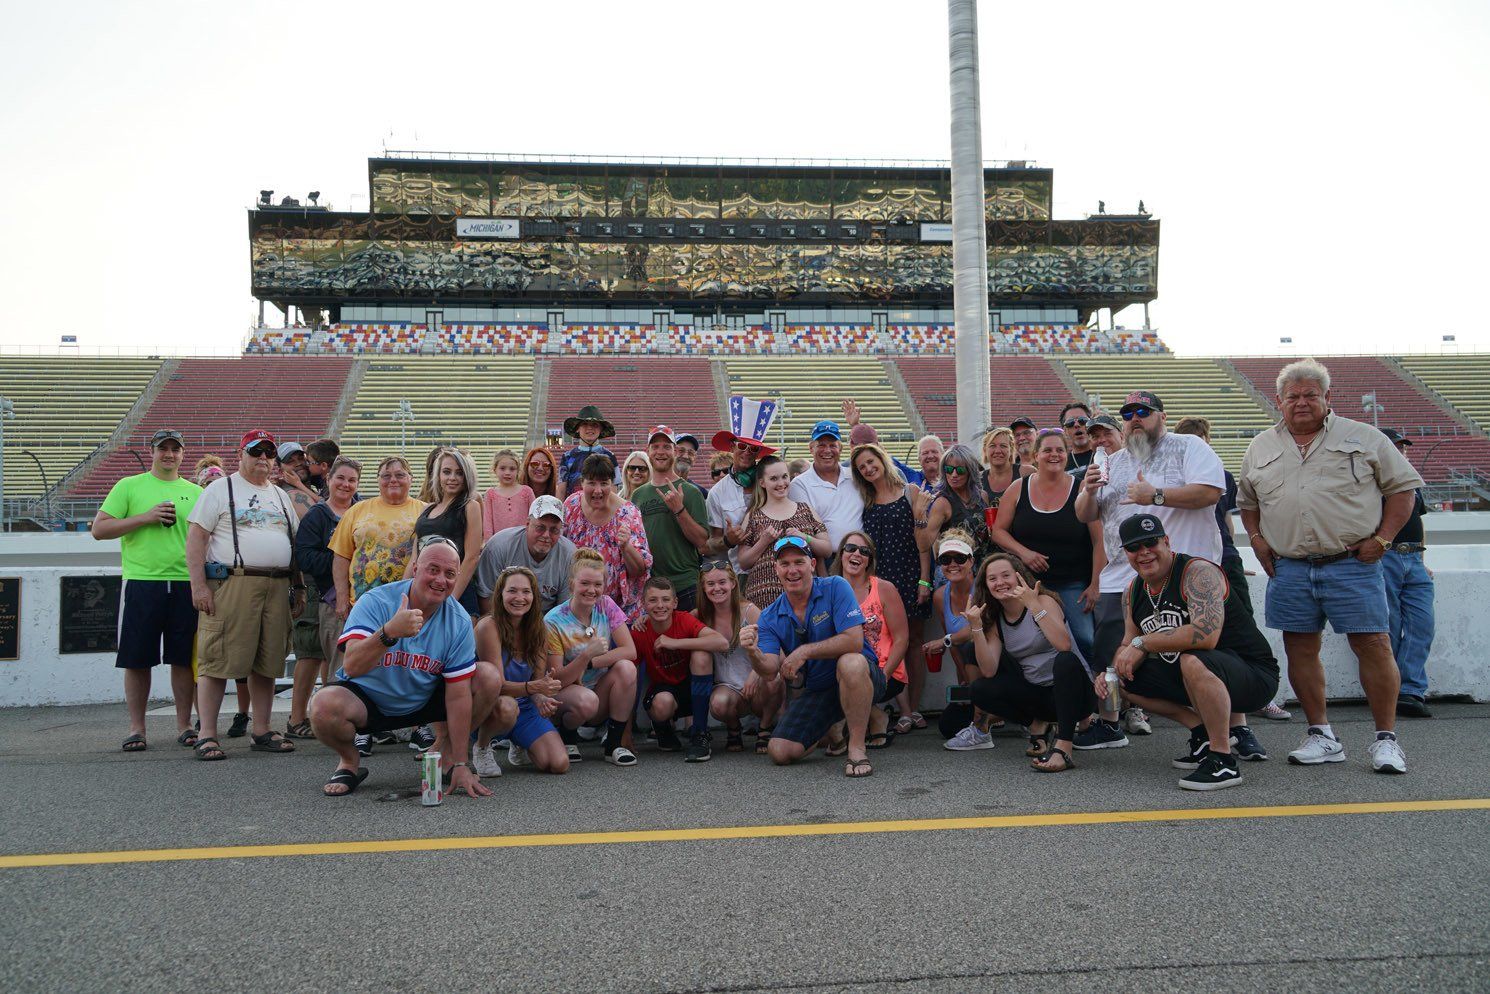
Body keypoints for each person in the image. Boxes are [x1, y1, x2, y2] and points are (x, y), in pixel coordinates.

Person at [1237, 359, 1422, 773]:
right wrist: (1256, 539)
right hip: (1289, 567)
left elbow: (1402, 490)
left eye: (1310, 395)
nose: (1301, 403)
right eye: (1292, 397)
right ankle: (1321, 735)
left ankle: (1386, 740)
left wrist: (1383, 539)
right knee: (1299, 647)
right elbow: (1247, 502)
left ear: (1327, 398)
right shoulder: (1261, 446)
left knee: (1373, 645)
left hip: (1352, 563)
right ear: (1278, 402)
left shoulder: (1365, 437)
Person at [1074, 389, 1225, 749]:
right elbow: (1086, 515)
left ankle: (1232, 729)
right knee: (1114, 663)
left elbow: (1210, 493)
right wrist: (1088, 491)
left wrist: (1155, 495)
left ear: (1162, 415)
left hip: (1184, 575)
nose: (1135, 419)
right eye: (1128, 414)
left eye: (1143, 411)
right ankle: (1111, 722)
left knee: (1202, 656)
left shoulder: (1188, 446)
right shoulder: (1115, 460)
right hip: (1121, 578)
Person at [310, 539, 499, 798]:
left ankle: (445, 754)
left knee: (488, 676)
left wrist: (461, 762)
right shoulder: (376, 601)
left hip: (422, 701)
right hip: (369, 701)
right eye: (433, 569)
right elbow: (351, 666)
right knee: (322, 707)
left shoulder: (459, 620)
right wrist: (388, 633)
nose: (440, 580)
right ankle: (349, 761)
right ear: (415, 568)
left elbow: (458, 695)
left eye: (450, 574)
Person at [1108, 514, 1280, 790]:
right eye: (1134, 547)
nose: (1144, 553)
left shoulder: (1197, 572)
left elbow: (1205, 635)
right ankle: (1201, 734)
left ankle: (1223, 760)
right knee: (1123, 680)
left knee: (1193, 658)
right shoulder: (1133, 591)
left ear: (1166, 541)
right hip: (1195, 674)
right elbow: (1129, 640)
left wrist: (1143, 644)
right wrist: (1112, 669)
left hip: (1252, 675)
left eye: (1150, 543)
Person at [185, 428, 305, 761]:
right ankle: (207, 733)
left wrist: (298, 587)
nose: (264, 458)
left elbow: (293, 545)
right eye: (256, 452)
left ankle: (263, 729)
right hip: (234, 582)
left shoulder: (280, 495)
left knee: (267, 662)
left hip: (277, 584)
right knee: (217, 658)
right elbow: (196, 540)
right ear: (241, 455)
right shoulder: (220, 489)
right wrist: (198, 586)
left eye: (269, 453)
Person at [1173, 416, 1292, 722]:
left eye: (1202, 439)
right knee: (1195, 630)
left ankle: (1254, 697)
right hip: (1185, 559)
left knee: (1242, 626)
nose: (1199, 445)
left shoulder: (1220, 473)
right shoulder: (1171, 475)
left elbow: (1225, 519)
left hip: (1223, 557)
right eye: (1191, 440)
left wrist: (1234, 555)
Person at [93, 428, 202, 752]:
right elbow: (100, 529)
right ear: (152, 452)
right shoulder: (129, 486)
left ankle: (184, 725)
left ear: (183, 454)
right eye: (163, 449)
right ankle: (137, 728)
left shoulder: (195, 492)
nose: (169, 454)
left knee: (183, 659)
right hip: (143, 582)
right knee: (137, 658)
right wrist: (145, 517)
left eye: (175, 449)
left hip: (185, 583)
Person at [754, 536, 886, 778]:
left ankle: (856, 748)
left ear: (812, 564)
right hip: (821, 690)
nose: (792, 570)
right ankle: (832, 731)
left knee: (850, 662)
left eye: (799, 562)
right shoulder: (768, 617)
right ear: (776, 569)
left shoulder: (836, 586)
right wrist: (752, 652)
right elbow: (769, 669)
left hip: (864, 677)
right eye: (784, 564)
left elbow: (854, 640)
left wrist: (803, 651)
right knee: (780, 751)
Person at [952, 553, 1098, 772]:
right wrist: (976, 627)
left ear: (1019, 576)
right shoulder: (996, 618)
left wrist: (1033, 605)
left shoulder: (1043, 601)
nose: (1000, 582)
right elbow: (989, 670)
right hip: (1041, 697)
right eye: (992, 579)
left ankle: (1064, 747)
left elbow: (1063, 645)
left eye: (1005, 575)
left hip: (1076, 695)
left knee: (1065, 661)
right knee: (981, 689)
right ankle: (1036, 725)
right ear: (986, 585)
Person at [329, 454, 427, 755]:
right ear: (377, 479)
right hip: (364, 605)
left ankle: (420, 725)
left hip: (409, 603)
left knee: (412, 663)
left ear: (411, 478)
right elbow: (342, 556)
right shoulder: (358, 511)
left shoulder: (424, 511)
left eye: (400, 474)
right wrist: (342, 597)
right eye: (386, 475)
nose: (393, 480)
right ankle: (363, 729)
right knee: (365, 664)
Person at [988, 427, 1101, 662]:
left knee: (1086, 640)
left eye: (1060, 450)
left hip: (1072, 583)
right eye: (1047, 450)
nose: (1054, 455)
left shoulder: (1081, 488)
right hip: (1028, 584)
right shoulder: (1019, 487)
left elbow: (1099, 540)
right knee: (1024, 643)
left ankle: (1094, 693)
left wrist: (1095, 584)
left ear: (1067, 454)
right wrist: (1024, 553)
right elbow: (998, 532)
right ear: (1036, 455)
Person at [849, 442, 932, 729]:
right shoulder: (865, 499)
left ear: (882, 460)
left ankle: (916, 708)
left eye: (871, 462)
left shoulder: (911, 492)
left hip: (911, 575)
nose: (869, 469)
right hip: (881, 581)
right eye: (862, 467)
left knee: (914, 642)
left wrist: (924, 580)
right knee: (889, 643)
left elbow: (923, 543)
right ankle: (904, 709)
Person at [287, 455, 361, 739]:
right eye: (340, 478)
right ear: (328, 480)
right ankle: (306, 719)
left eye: (351, 480)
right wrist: (341, 559)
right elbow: (304, 556)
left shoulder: (362, 511)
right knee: (314, 655)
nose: (345, 484)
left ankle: (353, 719)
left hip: (357, 595)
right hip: (322, 592)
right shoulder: (318, 515)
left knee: (351, 659)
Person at [544, 548, 640, 766]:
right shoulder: (553, 620)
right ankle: (567, 738)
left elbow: (629, 650)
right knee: (586, 700)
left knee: (627, 668)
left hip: (598, 690)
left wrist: (592, 662)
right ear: (571, 585)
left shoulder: (606, 605)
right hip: (567, 696)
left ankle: (613, 745)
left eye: (598, 584)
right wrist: (586, 655)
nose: (592, 590)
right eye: (585, 583)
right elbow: (556, 679)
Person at [472, 565, 566, 775]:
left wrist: (541, 699)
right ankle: (482, 747)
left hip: (524, 705)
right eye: (512, 591)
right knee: (507, 707)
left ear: (534, 596)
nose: (519, 598)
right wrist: (535, 687)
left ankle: (519, 742)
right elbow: (497, 686)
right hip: (490, 706)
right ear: (500, 594)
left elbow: (538, 680)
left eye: (526, 591)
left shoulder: (540, 628)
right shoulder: (489, 626)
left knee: (558, 764)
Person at [632, 576, 730, 761]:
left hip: (691, 686)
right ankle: (662, 728)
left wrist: (675, 643)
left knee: (701, 654)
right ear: (644, 604)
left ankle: (700, 735)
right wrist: (624, 733)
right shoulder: (640, 631)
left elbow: (721, 642)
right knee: (662, 704)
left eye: (666, 599)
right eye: (653, 600)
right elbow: (629, 678)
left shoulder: (683, 620)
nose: (660, 605)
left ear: (675, 602)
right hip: (664, 691)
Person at [693, 558, 780, 754]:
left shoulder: (749, 611)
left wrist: (757, 672)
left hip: (757, 685)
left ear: (733, 583)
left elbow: (777, 652)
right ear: (703, 588)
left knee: (774, 679)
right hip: (728, 687)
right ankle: (734, 728)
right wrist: (645, 617)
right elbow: (673, 622)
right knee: (718, 704)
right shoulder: (700, 615)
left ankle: (764, 728)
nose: (717, 588)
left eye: (722, 582)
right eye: (711, 584)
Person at [1378, 428, 1435, 719]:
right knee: (1390, 624)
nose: (1402, 452)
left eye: (1402, 447)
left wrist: (1422, 555)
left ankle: (1410, 690)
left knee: (1422, 625)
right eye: (1396, 447)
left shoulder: (1411, 483)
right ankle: (1397, 690)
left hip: (1413, 558)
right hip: (1385, 557)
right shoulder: (1372, 483)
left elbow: (1418, 521)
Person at [834, 531, 909, 747]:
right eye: (850, 548)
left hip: (884, 671)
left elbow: (902, 639)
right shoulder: (829, 589)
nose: (857, 553)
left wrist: (884, 676)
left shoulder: (884, 589)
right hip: (843, 670)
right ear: (841, 554)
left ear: (869, 561)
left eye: (864, 551)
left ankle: (864, 721)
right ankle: (875, 717)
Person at [563, 453, 653, 621]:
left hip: (617, 612)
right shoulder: (571, 505)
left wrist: (626, 547)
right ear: (581, 483)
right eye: (591, 483)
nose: (598, 490)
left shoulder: (628, 513)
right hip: (578, 607)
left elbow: (639, 570)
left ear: (612, 484)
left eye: (604, 483)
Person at [632, 425, 711, 610]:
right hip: (651, 586)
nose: (661, 452)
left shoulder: (691, 492)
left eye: (666, 447)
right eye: (655, 446)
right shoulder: (638, 495)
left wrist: (679, 509)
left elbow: (701, 540)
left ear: (674, 451)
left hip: (685, 584)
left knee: (690, 638)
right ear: (647, 451)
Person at [738, 455, 830, 608]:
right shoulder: (753, 516)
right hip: (765, 599)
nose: (781, 483)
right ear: (762, 482)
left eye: (784, 477)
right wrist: (763, 541)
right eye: (774, 478)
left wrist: (804, 537)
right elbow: (743, 562)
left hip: (805, 597)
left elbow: (826, 549)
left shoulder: (805, 509)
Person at [928, 532, 992, 741]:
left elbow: (977, 632)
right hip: (971, 668)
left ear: (972, 560)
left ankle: (985, 722)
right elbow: (953, 642)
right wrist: (963, 678)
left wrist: (944, 641)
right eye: (945, 559)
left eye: (960, 558)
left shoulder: (985, 590)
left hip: (996, 665)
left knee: (973, 644)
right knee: (948, 726)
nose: (952, 564)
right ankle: (983, 710)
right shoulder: (940, 595)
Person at [707, 395, 780, 574]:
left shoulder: (773, 483)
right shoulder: (717, 493)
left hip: (778, 570)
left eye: (753, 448)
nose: (747, 452)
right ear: (732, 447)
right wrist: (728, 540)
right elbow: (711, 543)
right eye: (742, 446)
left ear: (759, 453)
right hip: (741, 575)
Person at [410, 447, 483, 615]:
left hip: (457, 596)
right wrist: (403, 594)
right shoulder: (426, 509)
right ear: (438, 475)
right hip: (424, 594)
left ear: (467, 476)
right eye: (447, 472)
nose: (452, 478)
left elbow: (471, 557)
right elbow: (415, 558)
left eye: (459, 473)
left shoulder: (470, 507)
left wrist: (449, 601)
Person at [476, 495, 577, 615]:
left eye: (554, 530)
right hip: (504, 618)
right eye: (540, 528)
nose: (546, 535)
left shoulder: (569, 554)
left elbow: (565, 608)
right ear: (527, 524)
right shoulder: (498, 546)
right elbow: (486, 598)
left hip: (548, 623)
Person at [788, 420, 863, 551]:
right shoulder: (799, 485)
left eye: (832, 445)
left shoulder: (856, 477)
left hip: (860, 556)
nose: (827, 450)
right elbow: (807, 532)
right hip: (826, 560)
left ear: (840, 448)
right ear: (811, 448)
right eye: (821, 445)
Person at [924, 444, 995, 564]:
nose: (954, 475)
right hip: (956, 569)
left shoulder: (983, 496)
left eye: (960, 470)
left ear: (970, 471)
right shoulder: (942, 503)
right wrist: (924, 580)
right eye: (949, 469)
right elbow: (924, 545)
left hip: (983, 567)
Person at [558, 404, 618, 499]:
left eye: (595, 425)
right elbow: (561, 491)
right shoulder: (567, 457)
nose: (590, 428)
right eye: (584, 424)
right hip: (574, 509)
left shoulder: (610, 457)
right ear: (577, 429)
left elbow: (613, 490)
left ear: (601, 429)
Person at [481, 449, 534, 543]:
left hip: (523, 543)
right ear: (495, 470)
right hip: (499, 544)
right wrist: (489, 543)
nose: (507, 472)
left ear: (518, 471)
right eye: (502, 468)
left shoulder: (527, 491)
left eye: (512, 469)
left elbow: (534, 517)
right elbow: (487, 522)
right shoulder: (490, 494)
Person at [275, 442, 319, 517]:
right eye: (290, 461)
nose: (298, 463)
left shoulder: (315, 485)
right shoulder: (293, 495)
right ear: (281, 471)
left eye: (301, 458)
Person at [981, 428, 1017, 508]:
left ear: (1011, 450)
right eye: (992, 446)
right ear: (985, 450)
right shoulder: (977, 480)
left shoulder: (1026, 473)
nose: (997, 451)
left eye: (1003, 446)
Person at [1059, 403, 1098, 474]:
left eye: (1082, 420)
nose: (1077, 425)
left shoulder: (1105, 454)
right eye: (1070, 423)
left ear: (1091, 424)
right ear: (1065, 431)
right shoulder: (1060, 463)